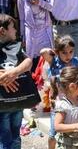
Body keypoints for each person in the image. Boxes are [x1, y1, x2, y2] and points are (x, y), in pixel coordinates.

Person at [40, 35, 78, 149]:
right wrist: (52, 52)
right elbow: (42, 52)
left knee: (70, 130)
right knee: (53, 132)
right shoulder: (54, 61)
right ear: (57, 52)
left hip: (71, 101)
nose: (68, 55)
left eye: (71, 51)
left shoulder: (75, 61)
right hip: (57, 103)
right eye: (64, 52)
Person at [0, 13, 32, 149]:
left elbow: (28, 61)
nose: (16, 30)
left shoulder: (15, 46)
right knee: (4, 138)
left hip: (17, 101)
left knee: (15, 137)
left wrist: (15, 72)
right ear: (3, 31)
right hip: (2, 104)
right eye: (13, 27)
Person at [17, 0, 54, 72]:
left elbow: (53, 8)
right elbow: (22, 19)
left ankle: (47, 82)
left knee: (47, 57)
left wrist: (40, 2)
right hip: (31, 33)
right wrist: (23, 37)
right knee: (31, 59)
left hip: (45, 31)